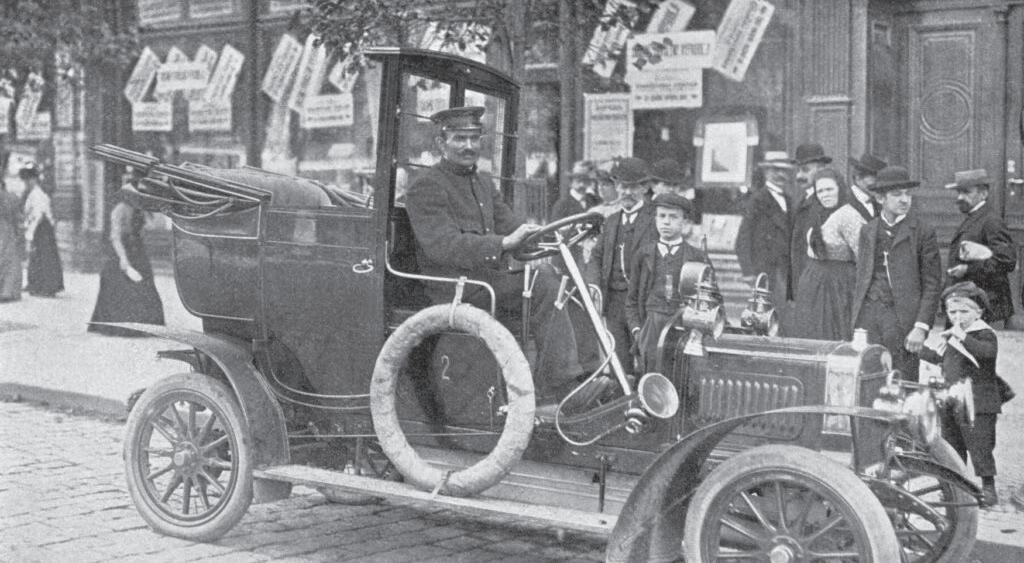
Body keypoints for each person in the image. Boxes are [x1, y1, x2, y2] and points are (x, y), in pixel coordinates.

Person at [405, 106, 609, 408]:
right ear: (441, 143)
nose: (469, 146)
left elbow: (513, 228)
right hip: (456, 288)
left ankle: (590, 378)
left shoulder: (483, 183)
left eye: (474, 138)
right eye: (460, 138)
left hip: (489, 283)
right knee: (543, 285)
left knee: (565, 283)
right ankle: (562, 388)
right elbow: (442, 246)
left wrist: (554, 235)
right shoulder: (427, 186)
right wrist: (503, 243)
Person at [851, 166, 942, 381]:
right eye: (897, 194)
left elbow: (932, 284)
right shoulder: (868, 230)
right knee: (867, 379)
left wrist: (921, 327)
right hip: (868, 318)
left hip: (902, 321)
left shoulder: (922, 231)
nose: (904, 200)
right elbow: (862, 278)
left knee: (902, 382)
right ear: (880, 198)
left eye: (907, 194)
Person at [919, 281, 1006, 507]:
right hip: (953, 400)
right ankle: (957, 487)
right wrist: (921, 351)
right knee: (953, 445)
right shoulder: (952, 336)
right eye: (952, 312)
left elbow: (987, 354)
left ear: (979, 312)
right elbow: (943, 359)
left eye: (964, 312)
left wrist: (962, 336)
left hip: (978, 402)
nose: (957, 317)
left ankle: (988, 488)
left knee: (980, 446)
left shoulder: (985, 334)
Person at [586, 157, 658, 373]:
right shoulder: (610, 222)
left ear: (644, 188)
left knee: (647, 361)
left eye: (633, 187)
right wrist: (593, 285)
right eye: (623, 186)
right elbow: (596, 257)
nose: (627, 192)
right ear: (616, 187)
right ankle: (622, 395)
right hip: (614, 303)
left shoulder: (655, 220)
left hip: (642, 302)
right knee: (618, 363)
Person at [625, 192, 702, 373]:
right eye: (662, 216)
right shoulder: (643, 255)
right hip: (651, 325)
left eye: (673, 217)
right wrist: (637, 330)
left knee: (681, 374)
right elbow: (631, 300)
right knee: (651, 377)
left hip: (683, 326)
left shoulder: (696, 256)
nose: (666, 222)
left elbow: (711, 299)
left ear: (684, 222)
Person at [89, 166, 165, 335]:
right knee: (117, 284)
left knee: (144, 284)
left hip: (137, 249)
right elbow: (115, 236)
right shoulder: (119, 210)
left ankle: (144, 323)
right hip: (122, 250)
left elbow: (150, 226)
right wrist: (123, 259)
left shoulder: (140, 210)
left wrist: (147, 212)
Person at [942, 169, 1017, 327]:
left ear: (983, 194)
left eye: (966, 192)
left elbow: (1007, 261)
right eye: (959, 192)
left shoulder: (991, 221)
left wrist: (967, 270)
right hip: (970, 305)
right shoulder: (975, 218)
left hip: (986, 307)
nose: (960, 197)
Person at [735, 150, 795, 334]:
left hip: (784, 270)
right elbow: (742, 239)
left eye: (784, 171)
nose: (780, 175)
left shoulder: (789, 200)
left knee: (784, 316)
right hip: (765, 269)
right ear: (766, 172)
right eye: (775, 170)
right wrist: (748, 272)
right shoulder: (757, 200)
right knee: (766, 317)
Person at [793, 168, 856, 340]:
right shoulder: (817, 213)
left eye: (829, 189)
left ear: (840, 189)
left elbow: (863, 256)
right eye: (820, 191)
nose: (825, 195)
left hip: (837, 287)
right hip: (813, 285)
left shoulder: (849, 216)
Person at [790, 143, 833, 293]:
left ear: (821, 170)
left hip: (817, 286)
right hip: (803, 283)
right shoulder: (803, 200)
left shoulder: (826, 202)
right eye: (798, 170)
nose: (799, 176)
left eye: (805, 170)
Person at [20, 163, 64, 297]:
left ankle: (47, 287)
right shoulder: (33, 194)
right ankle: (35, 283)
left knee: (44, 257)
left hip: (42, 228)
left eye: (28, 180)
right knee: (36, 257)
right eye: (25, 180)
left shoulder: (37, 195)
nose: (26, 183)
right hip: (41, 227)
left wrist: (30, 233)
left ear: (34, 179)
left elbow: (38, 215)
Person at [0, 179, 22, 302]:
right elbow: (17, 217)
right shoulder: (12, 197)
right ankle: (9, 291)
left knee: (5, 260)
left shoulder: (7, 198)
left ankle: (5, 291)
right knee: (11, 261)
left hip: (4, 230)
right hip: (9, 230)